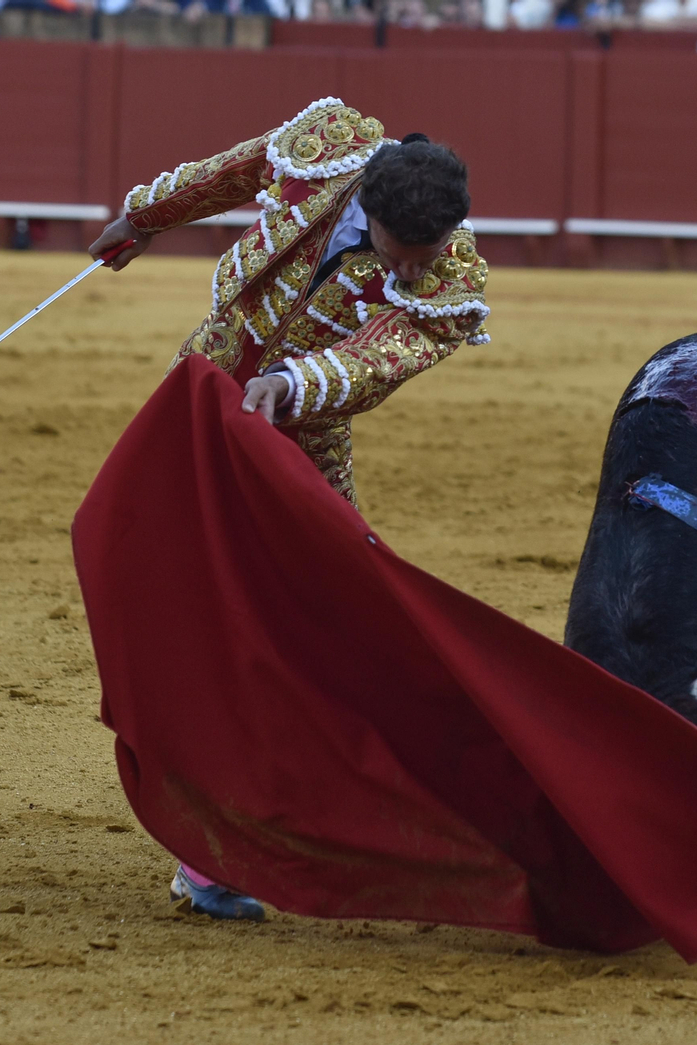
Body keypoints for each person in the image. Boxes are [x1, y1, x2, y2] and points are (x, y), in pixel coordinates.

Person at [87, 99, 489, 919]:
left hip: (299, 443)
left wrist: (298, 383)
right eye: (401, 256)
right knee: (180, 597)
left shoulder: (454, 278)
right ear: (366, 211)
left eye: (429, 256)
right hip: (201, 395)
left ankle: (281, 817)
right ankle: (211, 838)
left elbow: (381, 356)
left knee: (326, 618)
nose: (416, 272)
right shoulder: (327, 147)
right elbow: (230, 171)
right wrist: (142, 216)